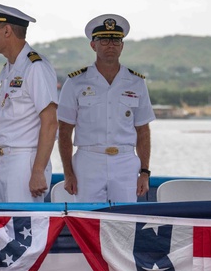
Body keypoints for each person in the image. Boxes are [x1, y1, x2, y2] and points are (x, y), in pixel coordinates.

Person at [57, 14, 154, 202]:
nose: (111, 45)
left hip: (125, 162)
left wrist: (144, 172)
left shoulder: (136, 82)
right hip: (88, 161)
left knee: (124, 221)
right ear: (93, 45)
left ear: (122, 46)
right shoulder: (76, 82)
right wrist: (68, 173)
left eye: (116, 40)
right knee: (87, 220)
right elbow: (64, 131)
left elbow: (143, 131)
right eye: (104, 40)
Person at [0, 2, 58, 202]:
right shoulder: (8, 69)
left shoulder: (35, 67)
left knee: (21, 227)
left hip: (26, 163)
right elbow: (4, 121)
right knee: (5, 230)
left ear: (7, 31)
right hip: (7, 162)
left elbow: (50, 122)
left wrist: (37, 171)